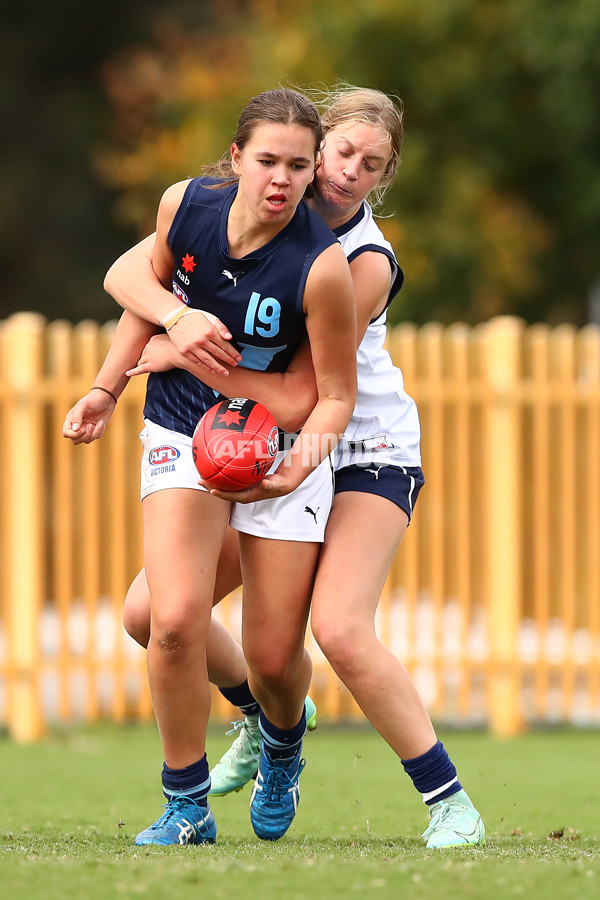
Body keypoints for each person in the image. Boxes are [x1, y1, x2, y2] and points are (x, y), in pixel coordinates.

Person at [66, 84, 485, 849]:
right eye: (340, 153)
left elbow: (308, 393)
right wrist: (162, 329)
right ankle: (254, 732)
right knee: (153, 617)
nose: (347, 172)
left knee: (337, 629)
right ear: (304, 148)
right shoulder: (207, 200)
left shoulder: (352, 263)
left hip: (354, 446)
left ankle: (446, 798)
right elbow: (137, 277)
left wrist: (184, 349)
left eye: (372, 164)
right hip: (250, 433)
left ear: (384, 178)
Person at [64, 87, 357, 846]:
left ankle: (282, 745)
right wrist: (110, 381)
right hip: (178, 429)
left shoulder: (320, 267)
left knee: (269, 657)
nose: (280, 180)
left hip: (278, 450)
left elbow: (327, 401)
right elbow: (139, 288)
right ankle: (187, 804)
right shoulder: (187, 206)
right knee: (171, 622)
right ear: (236, 158)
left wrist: (296, 472)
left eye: (298, 165)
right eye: (266, 160)